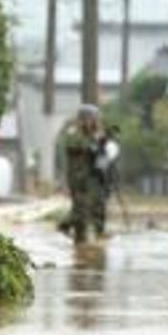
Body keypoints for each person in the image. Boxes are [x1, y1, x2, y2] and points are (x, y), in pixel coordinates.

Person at [60, 104, 111, 243]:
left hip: (95, 178)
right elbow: (78, 146)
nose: (94, 123)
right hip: (79, 180)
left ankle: (98, 236)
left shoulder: (95, 135)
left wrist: (103, 144)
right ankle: (72, 231)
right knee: (81, 210)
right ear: (83, 119)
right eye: (91, 119)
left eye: (95, 119)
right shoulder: (73, 134)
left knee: (99, 206)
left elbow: (101, 155)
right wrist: (95, 141)